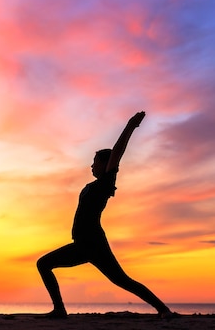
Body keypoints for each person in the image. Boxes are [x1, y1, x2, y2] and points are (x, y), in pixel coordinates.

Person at [37, 111, 173, 319]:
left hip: (92, 243)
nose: (92, 165)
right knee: (120, 280)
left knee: (121, 280)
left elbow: (118, 152)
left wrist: (130, 126)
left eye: (95, 162)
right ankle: (59, 309)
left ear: (105, 164)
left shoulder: (105, 183)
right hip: (84, 243)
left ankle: (163, 310)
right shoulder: (93, 185)